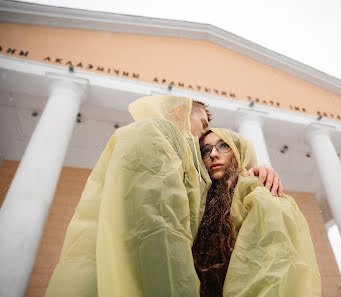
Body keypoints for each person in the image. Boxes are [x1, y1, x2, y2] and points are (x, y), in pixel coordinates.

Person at [45, 95, 283, 297]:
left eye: (222, 146)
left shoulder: (186, 161)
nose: (203, 135)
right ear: (180, 111)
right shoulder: (159, 132)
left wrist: (250, 173)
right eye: (201, 123)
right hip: (133, 277)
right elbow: (156, 227)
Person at [193, 128, 321, 297]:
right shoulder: (201, 202)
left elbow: (273, 268)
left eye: (224, 145)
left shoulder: (259, 194)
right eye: (206, 150)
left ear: (239, 152)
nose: (214, 154)